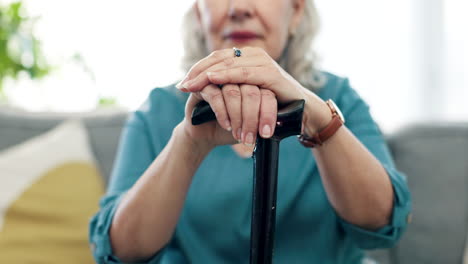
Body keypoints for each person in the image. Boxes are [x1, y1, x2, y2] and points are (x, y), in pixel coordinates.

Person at [89, 0, 412, 263]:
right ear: (199, 13)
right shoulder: (158, 111)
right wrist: (189, 142)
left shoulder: (337, 99)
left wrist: (316, 118)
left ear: (296, 11)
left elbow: (384, 222)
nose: (239, 7)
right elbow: (118, 251)